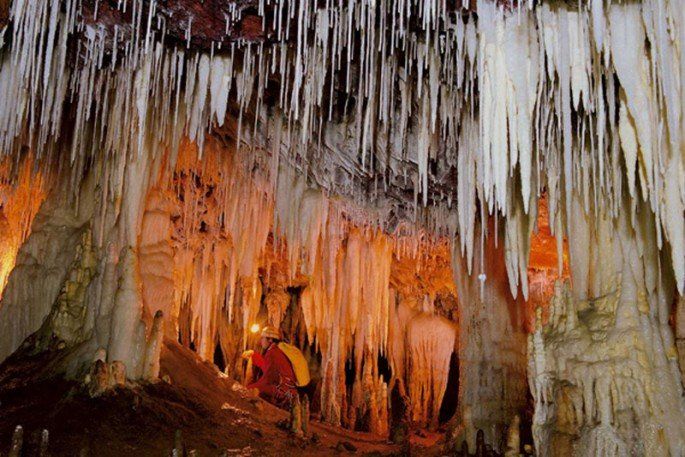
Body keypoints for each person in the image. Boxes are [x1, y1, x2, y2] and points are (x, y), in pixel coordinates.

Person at [242, 326, 297, 409]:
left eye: (262, 338)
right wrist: (254, 355)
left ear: (270, 340)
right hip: (288, 390)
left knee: (249, 390)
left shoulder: (272, 353)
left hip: (283, 391)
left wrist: (249, 387)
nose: (261, 341)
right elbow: (267, 367)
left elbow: (268, 379)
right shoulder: (275, 350)